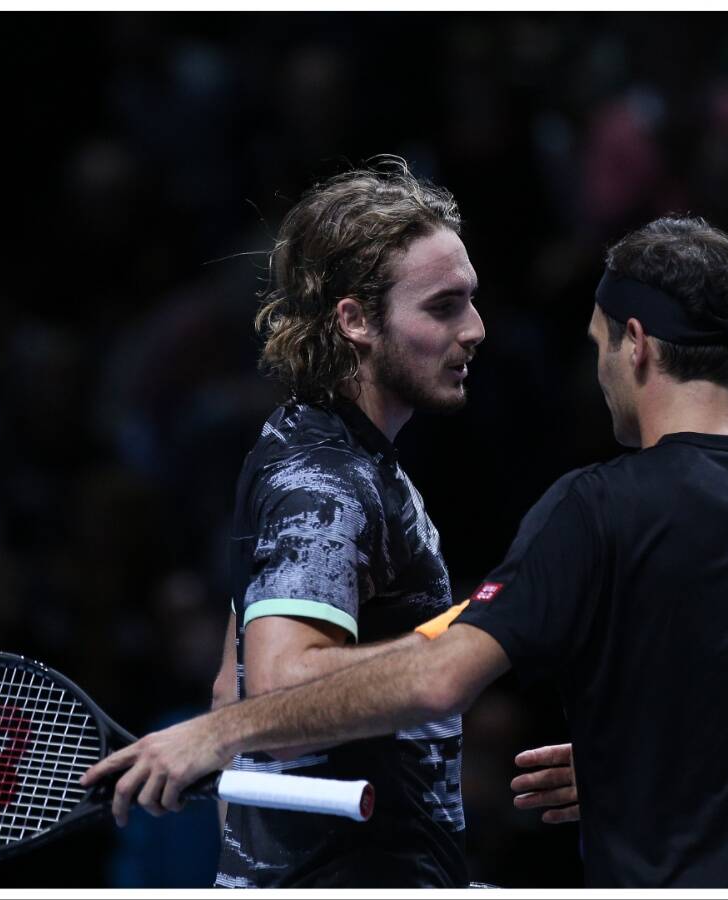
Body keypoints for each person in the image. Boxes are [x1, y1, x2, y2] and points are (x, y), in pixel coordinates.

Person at [85, 216, 728, 888]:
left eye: (600, 344)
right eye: (446, 304)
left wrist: (216, 731)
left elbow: (433, 679)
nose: (480, 332)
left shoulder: (593, 511)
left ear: (635, 342)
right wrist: (644, 769)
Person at [203, 159, 484, 887]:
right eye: (443, 307)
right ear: (356, 320)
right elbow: (274, 684)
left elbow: (227, 692)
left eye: (470, 302)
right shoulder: (323, 483)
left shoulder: (317, 450)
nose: (475, 330)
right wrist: (457, 649)